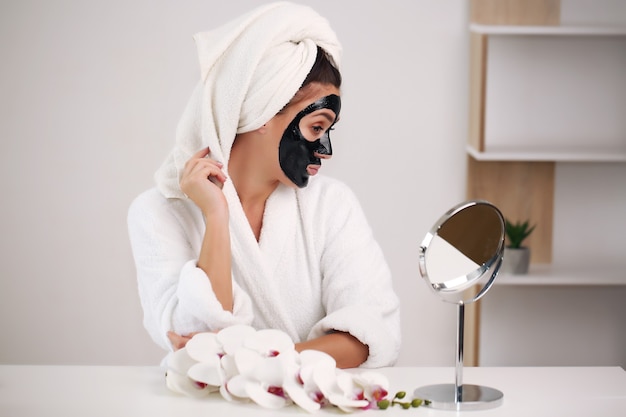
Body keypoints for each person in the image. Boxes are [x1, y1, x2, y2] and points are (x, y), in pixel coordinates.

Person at [128, 2, 400, 369]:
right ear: (261, 110)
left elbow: (370, 335)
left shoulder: (332, 206)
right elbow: (190, 337)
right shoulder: (158, 213)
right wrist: (216, 216)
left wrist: (248, 357)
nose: (326, 150)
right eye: (316, 127)